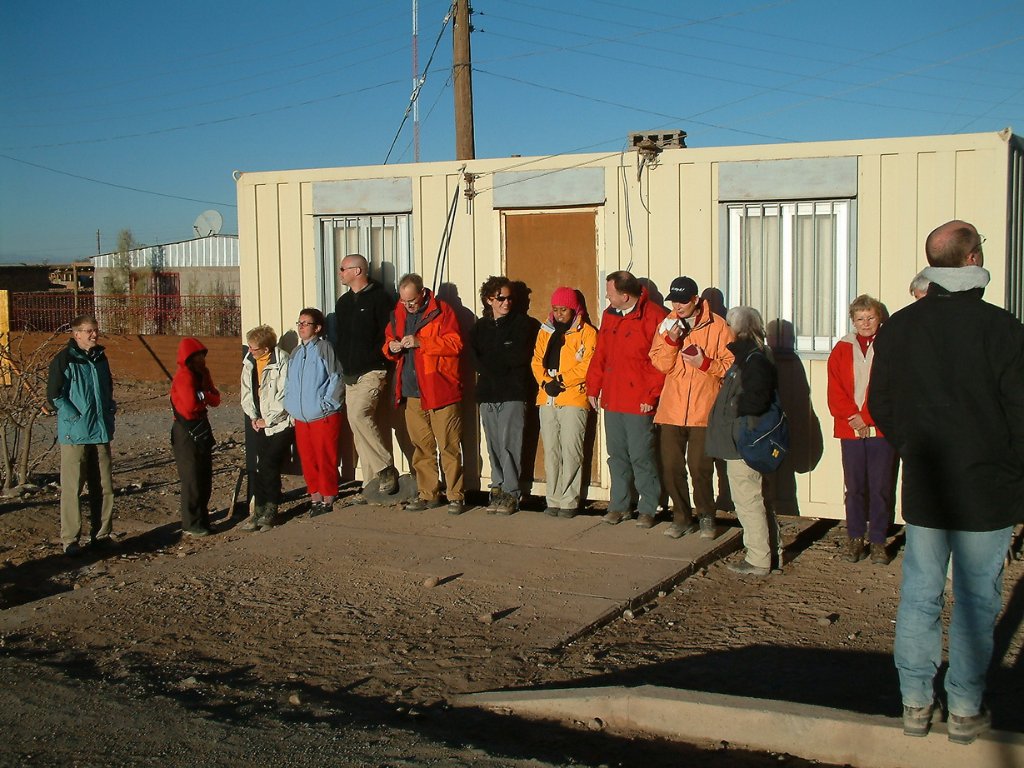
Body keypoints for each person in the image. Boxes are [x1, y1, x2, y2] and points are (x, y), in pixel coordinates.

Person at [869, 219, 1024, 745]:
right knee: (977, 601)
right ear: (972, 257)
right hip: (988, 489)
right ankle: (962, 708)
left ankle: (915, 704)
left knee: (920, 597)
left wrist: (913, 446)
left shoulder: (900, 328)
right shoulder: (1004, 330)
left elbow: (880, 405)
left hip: (928, 486)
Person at [649, 277, 735, 538]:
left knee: (700, 467)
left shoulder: (718, 326)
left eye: (683, 300)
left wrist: (705, 363)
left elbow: (731, 365)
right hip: (672, 409)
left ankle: (706, 516)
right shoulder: (667, 325)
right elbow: (659, 363)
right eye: (674, 300)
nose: (678, 305)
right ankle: (682, 517)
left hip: (703, 410)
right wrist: (672, 343)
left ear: (696, 300)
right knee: (672, 467)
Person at [585, 270, 667, 525]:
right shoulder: (610, 316)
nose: (607, 298)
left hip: (639, 398)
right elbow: (601, 354)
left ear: (625, 295)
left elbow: (662, 361)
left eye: (610, 294)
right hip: (614, 396)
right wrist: (593, 387)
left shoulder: (655, 316)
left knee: (641, 454)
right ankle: (619, 504)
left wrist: (651, 395)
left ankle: (648, 507)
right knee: (617, 454)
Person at [383, 273, 465, 515]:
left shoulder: (443, 312)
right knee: (421, 447)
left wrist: (422, 343)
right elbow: (388, 339)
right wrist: (391, 347)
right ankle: (428, 494)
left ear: (422, 293)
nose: (407, 306)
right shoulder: (398, 313)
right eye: (403, 301)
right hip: (411, 392)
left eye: (411, 301)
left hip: (440, 389)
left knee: (449, 446)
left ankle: (455, 495)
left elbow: (455, 344)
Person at [705, 307, 779, 574]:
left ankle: (759, 559)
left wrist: (735, 411)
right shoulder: (749, 356)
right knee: (756, 497)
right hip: (741, 439)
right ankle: (771, 551)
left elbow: (757, 398)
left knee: (748, 500)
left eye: (730, 325)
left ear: (739, 329)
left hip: (744, 442)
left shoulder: (754, 360)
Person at [827, 294, 896, 565]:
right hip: (850, 428)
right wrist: (853, 417)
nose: (866, 323)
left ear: (880, 318)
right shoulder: (842, 348)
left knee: (880, 486)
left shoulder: (889, 346)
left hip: (880, 428)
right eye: (860, 318)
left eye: (871, 317)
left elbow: (891, 387)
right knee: (854, 486)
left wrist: (867, 417)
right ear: (852, 321)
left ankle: (878, 539)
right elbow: (835, 390)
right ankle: (855, 537)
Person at [46, 314, 116, 556]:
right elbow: (55, 395)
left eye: (95, 330)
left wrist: (109, 409)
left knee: (105, 487)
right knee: (72, 488)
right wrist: (74, 417)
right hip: (75, 435)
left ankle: (102, 535)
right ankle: (71, 539)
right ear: (76, 334)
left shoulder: (101, 358)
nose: (94, 334)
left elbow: (108, 388)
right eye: (89, 331)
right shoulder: (64, 360)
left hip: (100, 432)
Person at [333, 254, 399, 498]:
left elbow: (389, 333)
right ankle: (372, 484)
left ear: (357, 271)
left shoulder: (380, 300)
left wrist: (380, 358)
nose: (339, 273)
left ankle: (385, 468)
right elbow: (340, 335)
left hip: (373, 369)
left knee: (360, 415)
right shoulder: (343, 303)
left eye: (343, 269)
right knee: (356, 424)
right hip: (350, 373)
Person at [470, 276, 535, 515]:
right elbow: (474, 356)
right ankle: (496, 487)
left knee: (510, 444)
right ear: (489, 300)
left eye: (510, 298)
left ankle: (511, 492)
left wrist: (495, 362)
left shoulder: (524, 324)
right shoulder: (480, 327)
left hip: (513, 392)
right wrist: (493, 364)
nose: (506, 303)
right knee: (494, 444)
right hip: (488, 393)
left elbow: (519, 356)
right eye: (501, 298)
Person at [532, 287, 598, 518]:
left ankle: (569, 500)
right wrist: (544, 381)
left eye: (564, 310)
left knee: (571, 450)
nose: (559, 314)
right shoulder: (546, 330)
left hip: (573, 396)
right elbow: (536, 359)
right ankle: (553, 498)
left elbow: (587, 364)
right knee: (551, 450)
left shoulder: (587, 332)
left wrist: (561, 380)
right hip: (547, 397)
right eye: (556, 309)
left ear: (574, 309)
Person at [284, 308, 344, 516]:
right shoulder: (296, 353)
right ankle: (315, 496)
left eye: (305, 323)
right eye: (299, 323)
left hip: (323, 416)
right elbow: (289, 383)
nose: (301, 327)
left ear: (317, 328)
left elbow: (336, 377)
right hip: (302, 417)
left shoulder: (325, 348)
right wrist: (290, 404)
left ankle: (328, 497)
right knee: (307, 459)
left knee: (324, 457)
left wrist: (327, 404)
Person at [240, 325, 292, 532]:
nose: (250, 351)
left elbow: (284, 395)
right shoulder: (249, 363)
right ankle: (259, 509)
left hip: (281, 423)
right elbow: (247, 391)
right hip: (260, 422)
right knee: (261, 465)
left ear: (266, 349)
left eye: (254, 348)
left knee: (269, 463)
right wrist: (253, 416)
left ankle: (271, 509)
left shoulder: (282, 361)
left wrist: (268, 420)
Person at [170, 338, 221, 537]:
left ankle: (202, 519)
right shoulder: (184, 376)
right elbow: (190, 407)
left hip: (200, 427)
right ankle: (191, 522)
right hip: (186, 430)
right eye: (198, 355)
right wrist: (204, 396)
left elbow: (215, 399)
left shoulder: (202, 373)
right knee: (191, 477)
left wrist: (203, 396)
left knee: (204, 476)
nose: (202, 358)